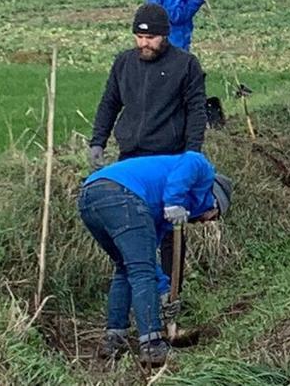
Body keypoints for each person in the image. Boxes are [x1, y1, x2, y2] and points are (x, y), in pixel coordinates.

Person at [89, 4, 207, 297]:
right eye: (139, 37)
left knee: (170, 231)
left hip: (169, 161)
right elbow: (109, 103)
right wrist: (98, 141)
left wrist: (192, 154)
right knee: (132, 234)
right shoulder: (123, 64)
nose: (144, 43)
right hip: (130, 160)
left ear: (165, 35)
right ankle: (139, 296)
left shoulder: (186, 65)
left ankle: (172, 296)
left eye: (151, 37)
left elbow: (196, 112)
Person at [79, 151, 231, 366]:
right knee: (142, 272)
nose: (208, 222)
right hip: (121, 194)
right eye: (214, 216)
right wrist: (174, 201)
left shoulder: (161, 218)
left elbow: (147, 259)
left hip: (91, 196)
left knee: (126, 267)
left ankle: (114, 338)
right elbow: (191, 160)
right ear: (215, 202)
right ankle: (152, 345)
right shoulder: (203, 172)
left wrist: (164, 292)